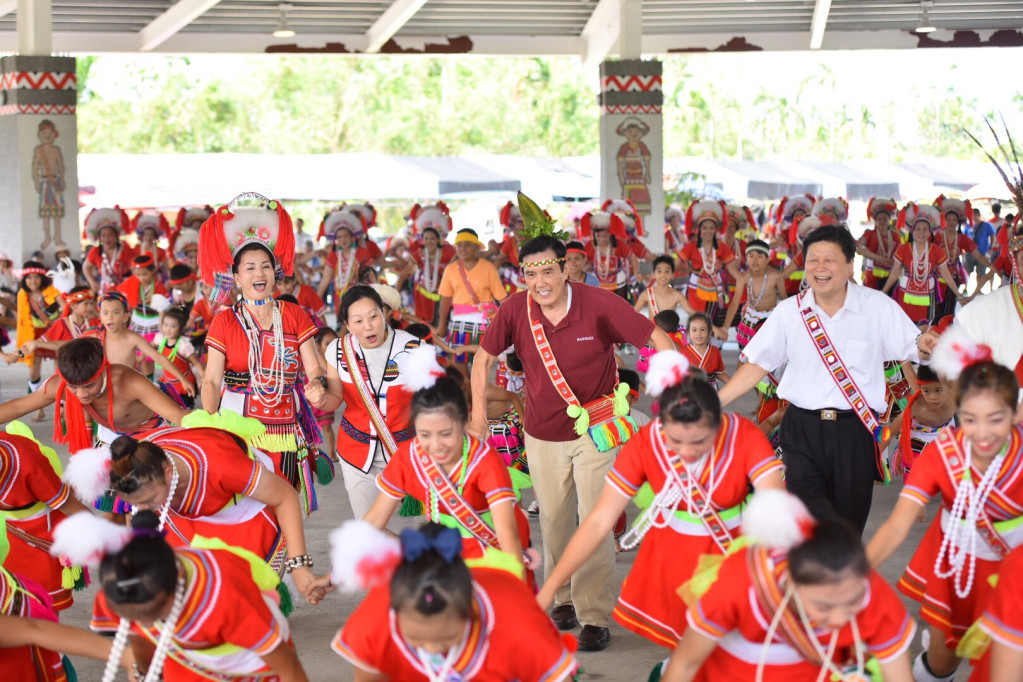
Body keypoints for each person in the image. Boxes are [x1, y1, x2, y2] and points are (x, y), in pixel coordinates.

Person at [470, 232, 674, 651]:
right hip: (541, 433)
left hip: (597, 431)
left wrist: (676, 392)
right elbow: (483, 358)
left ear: (566, 268)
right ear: (522, 276)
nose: (541, 280)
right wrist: (477, 414)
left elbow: (656, 337)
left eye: (549, 270)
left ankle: (594, 615)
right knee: (556, 519)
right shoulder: (514, 309)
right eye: (532, 273)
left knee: (595, 519)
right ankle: (562, 598)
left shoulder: (599, 303)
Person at [537, 350, 784, 664]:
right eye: (675, 441)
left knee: (739, 651)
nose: (687, 452)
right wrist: (549, 590)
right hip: (675, 558)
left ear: (718, 422)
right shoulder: (646, 443)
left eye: (699, 441)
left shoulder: (743, 435)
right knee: (691, 652)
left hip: (735, 551)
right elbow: (599, 522)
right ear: (662, 423)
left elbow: (777, 507)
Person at [719, 225, 931, 532]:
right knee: (804, 527)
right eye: (812, 260)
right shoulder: (789, 312)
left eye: (829, 260)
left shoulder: (878, 308)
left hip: (855, 432)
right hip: (801, 429)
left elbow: (915, 349)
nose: (820, 268)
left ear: (849, 265)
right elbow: (757, 365)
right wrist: (715, 401)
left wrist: (926, 347)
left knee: (847, 528)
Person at [866, 329, 1023, 682]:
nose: (982, 433)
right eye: (970, 418)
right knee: (941, 662)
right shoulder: (943, 452)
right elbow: (897, 524)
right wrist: (857, 569)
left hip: (1015, 574)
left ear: (1015, 414)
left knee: (1004, 666)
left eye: (995, 419)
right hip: (957, 569)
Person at [660, 491, 915, 682]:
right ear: (791, 581)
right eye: (823, 606)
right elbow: (685, 665)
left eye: (852, 602)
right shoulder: (740, 583)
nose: (839, 618)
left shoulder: (871, 593)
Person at [65, 423, 318, 601]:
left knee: (244, 593)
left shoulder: (221, 467)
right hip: (182, 508)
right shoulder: (134, 461)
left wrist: (299, 565)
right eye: (135, 504)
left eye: (148, 500)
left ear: (168, 472)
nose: (142, 511)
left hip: (240, 511)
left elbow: (285, 496)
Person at [60, 511, 309, 681]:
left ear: (178, 579)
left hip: (248, 669)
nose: (145, 623)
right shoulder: (121, 590)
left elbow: (288, 669)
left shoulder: (227, 596)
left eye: (154, 612)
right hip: (183, 665)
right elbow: (140, 638)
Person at [319, 521, 579, 681]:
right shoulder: (374, 622)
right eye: (416, 640)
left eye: (448, 638)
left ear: (472, 611)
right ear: (394, 614)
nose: (432, 650)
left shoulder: (520, 624)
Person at [199, 197, 328, 509]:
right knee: (243, 503)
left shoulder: (294, 315)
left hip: (285, 423)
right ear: (237, 276)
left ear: (275, 272)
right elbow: (213, 380)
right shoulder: (225, 319)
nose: (260, 273)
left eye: (266, 266)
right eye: (250, 267)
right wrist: (210, 423)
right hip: (237, 421)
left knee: (283, 500)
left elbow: (313, 367)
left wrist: (316, 385)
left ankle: (283, 558)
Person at [362, 347, 531, 577]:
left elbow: (507, 533)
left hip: (494, 555)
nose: (435, 445)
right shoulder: (408, 457)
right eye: (424, 434)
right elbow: (374, 521)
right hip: (445, 557)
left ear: (465, 422)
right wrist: (334, 576)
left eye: (445, 433)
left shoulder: (484, 460)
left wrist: (515, 585)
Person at [312, 285, 422, 523]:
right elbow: (335, 398)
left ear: (385, 314)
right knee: (368, 529)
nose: (369, 326)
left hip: (407, 453)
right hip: (357, 453)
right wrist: (320, 398)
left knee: (426, 526)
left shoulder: (413, 347)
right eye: (358, 321)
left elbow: (432, 402)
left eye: (374, 316)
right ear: (348, 325)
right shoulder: (338, 351)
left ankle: (411, 557)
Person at [0, 337, 189, 453]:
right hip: (111, 437)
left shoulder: (128, 381)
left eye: (89, 386)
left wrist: (209, 425)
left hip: (154, 435)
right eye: (73, 387)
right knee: (111, 512)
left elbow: (176, 415)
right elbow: (18, 407)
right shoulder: (59, 386)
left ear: (103, 371)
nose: (81, 394)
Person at [0, 424, 90, 612]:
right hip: (5, 533)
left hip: (42, 532)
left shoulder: (25, 459)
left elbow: (70, 506)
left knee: (43, 608)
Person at [91, 292, 196, 395]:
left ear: (125, 317)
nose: (110, 317)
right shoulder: (93, 337)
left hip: (128, 389)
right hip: (104, 390)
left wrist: (183, 379)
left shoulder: (133, 338)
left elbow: (159, 358)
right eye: (105, 313)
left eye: (116, 312)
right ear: (100, 316)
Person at [436, 229, 507, 367]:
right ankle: (468, 388)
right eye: (459, 245)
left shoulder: (488, 268)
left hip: (484, 324)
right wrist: (441, 325)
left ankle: (479, 388)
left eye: (467, 244)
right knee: (456, 361)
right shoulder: (450, 269)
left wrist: (511, 324)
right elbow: (445, 300)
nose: (462, 248)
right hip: (458, 324)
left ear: (477, 247)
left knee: (482, 366)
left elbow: (502, 299)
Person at [883, 203, 962, 324]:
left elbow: (946, 275)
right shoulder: (903, 249)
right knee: (904, 326)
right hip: (905, 295)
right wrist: (883, 292)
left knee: (923, 329)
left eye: (925, 229)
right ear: (912, 231)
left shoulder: (936, 251)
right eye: (918, 229)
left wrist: (959, 295)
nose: (921, 232)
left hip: (926, 297)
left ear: (930, 232)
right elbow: (895, 273)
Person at [886, 363, 957, 478]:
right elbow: (889, 434)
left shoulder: (956, 398)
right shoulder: (916, 406)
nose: (932, 397)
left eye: (938, 390)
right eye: (927, 391)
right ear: (921, 389)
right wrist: (871, 459)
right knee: (913, 482)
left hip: (946, 436)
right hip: (917, 440)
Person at [714, 239, 786, 349]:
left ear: (768, 259)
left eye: (760, 256)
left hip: (771, 319)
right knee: (748, 356)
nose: (755, 260)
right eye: (751, 256)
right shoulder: (744, 277)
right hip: (751, 319)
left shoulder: (775, 276)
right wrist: (725, 328)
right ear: (746, 259)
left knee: (770, 355)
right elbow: (734, 303)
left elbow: (785, 302)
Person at [679, 200, 741, 326]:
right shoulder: (691, 246)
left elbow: (731, 268)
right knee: (696, 320)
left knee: (710, 322)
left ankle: (709, 344)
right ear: (699, 229)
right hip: (695, 288)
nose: (708, 231)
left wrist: (745, 280)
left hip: (715, 289)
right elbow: (677, 263)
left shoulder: (721, 246)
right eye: (705, 227)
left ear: (716, 229)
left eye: (711, 228)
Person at [14, 260, 62, 418]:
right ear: (24, 280)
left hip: (54, 332)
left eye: (35, 277)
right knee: (33, 372)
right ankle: (37, 408)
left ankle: (62, 406)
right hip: (33, 335)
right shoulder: (22, 294)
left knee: (61, 370)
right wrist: (20, 348)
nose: (32, 281)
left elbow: (64, 306)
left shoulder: (51, 290)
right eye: (28, 278)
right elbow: (21, 320)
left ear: (42, 278)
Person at [16, 286, 99, 358]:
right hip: (68, 370)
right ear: (73, 306)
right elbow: (40, 341)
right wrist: (17, 354)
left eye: (92, 304)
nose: (90, 307)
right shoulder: (62, 324)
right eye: (86, 304)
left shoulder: (96, 323)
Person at [152, 307, 203, 408]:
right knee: (169, 406)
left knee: (184, 408)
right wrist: (141, 356)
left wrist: (202, 378)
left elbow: (197, 363)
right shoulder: (160, 339)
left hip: (184, 384)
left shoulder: (184, 346)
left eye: (173, 326)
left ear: (181, 328)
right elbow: (148, 346)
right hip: (168, 380)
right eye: (165, 325)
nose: (168, 329)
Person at [406, 226, 456, 325]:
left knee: (443, 322)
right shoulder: (419, 253)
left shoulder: (446, 252)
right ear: (422, 240)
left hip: (443, 293)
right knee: (424, 323)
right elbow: (405, 273)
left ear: (438, 240)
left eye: (432, 238)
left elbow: (457, 265)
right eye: (426, 238)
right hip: (422, 293)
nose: (429, 241)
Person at [83, 211, 136, 295]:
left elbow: (135, 271)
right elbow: (86, 267)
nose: (107, 239)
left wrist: (133, 288)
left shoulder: (126, 250)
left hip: (125, 289)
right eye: (103, 236)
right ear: (99, 237)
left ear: (116, 236)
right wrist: (92, 282)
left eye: (110, 235)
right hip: (104, 289)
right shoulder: (95, 251)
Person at [855, 197, 901, 290]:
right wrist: (880, 259)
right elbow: (860, 248)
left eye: (885, 219)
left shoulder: (895, 235)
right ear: (875, 221)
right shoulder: (870, 234)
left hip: (890, 272)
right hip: (872, 273)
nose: (882, 221)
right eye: (879, 219)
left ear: (889, 221)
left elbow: (900, 253)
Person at [634, 255, 696, 320]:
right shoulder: (647, 294)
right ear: (653, 274)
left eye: (667, 271)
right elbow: (632, 313)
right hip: (654, 330)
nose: (663, 275)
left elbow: (692, 313)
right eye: (659, 271)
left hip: (671, 330)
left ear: (672, 275)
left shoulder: (677, 295)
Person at [680, 313, 729, 388]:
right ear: (688, 333)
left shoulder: (715, 351)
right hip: (691, 392)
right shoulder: (683, 352)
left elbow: (719, 373)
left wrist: (735, 384)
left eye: (702, 330)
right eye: (694, 330)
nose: (698, 333)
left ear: (709, 333)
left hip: (711, 391)